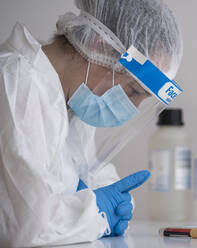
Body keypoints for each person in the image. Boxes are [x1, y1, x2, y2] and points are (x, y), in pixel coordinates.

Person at [0, 0, 183, 246]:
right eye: (133, 90)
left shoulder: (73, 102)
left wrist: (113, 201)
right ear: (101, 48)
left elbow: (94, 176)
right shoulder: (17, 81)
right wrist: (97, 213)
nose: (133, 107)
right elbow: (28, 225)